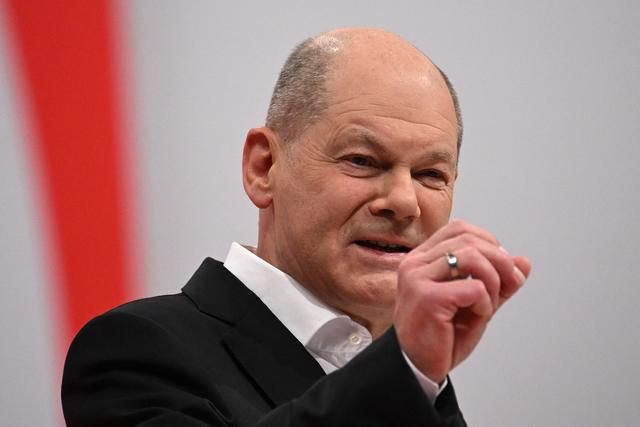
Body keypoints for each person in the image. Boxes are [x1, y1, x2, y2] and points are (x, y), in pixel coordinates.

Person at [62, 27, 531, 426]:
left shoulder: (423, 386)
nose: (404, 203)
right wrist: (403, 368)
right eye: (362, 160)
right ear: (264, 167)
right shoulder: (135, 351)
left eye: (430, 174)